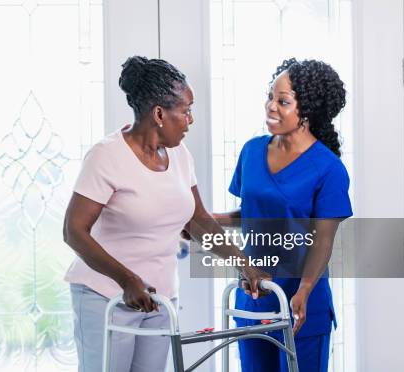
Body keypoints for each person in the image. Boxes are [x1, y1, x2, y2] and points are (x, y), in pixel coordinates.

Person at [63, 56, 268, 372]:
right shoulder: (107, 156)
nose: (191, 119)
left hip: (159, 301)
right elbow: (74, 231)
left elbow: (198, 220)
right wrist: (127, 279)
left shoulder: (180, 155)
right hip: (105, 297)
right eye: (186, 110)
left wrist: (244, 264)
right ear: (159, 113)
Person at [214, 58, 353, 372]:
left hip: (301, 301)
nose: (270, 106)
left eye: (283, 101)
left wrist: (304, 289)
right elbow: (254, 213)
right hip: (255, 296)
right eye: (270, 97)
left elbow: (323, 240)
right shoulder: (251, 151)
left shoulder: (328, 168)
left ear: (309, 111)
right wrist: (210, 219)